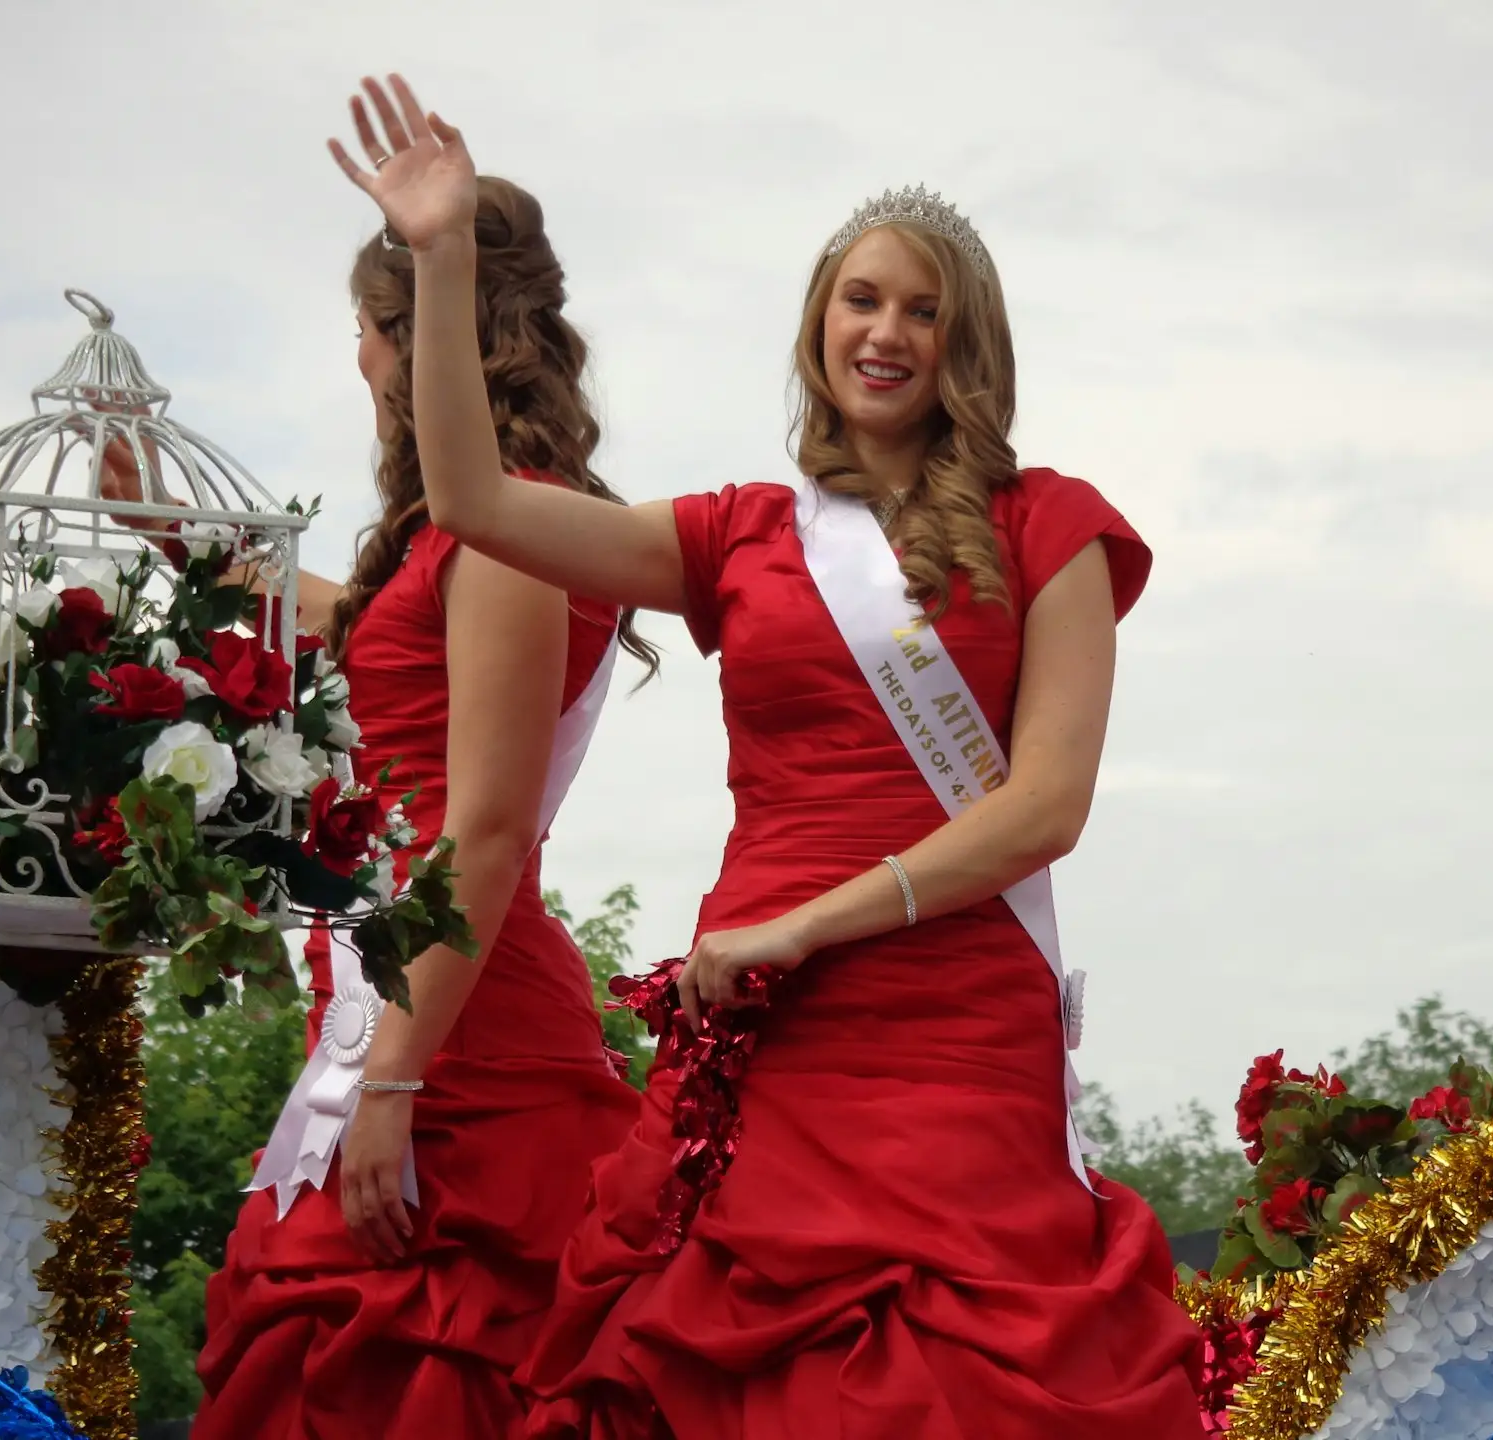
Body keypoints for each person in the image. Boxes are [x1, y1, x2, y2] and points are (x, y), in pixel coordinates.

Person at [333, 74, 1205, 1440]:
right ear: (819, 324)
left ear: (969, 345)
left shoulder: (1060, 530)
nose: (888, 331)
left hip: (948, 1028)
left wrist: (810, 927)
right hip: (763, 1029)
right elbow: (476, 501)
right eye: (863, 299)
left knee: (947, 1377)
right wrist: (442, 262)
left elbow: (1045, 808)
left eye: (925, 309)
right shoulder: (739, 531)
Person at [103, 146, 649, 1439]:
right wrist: (181, 540)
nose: (357, 359)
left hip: (457, 1048)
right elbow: (371, 640)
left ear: (416, 340)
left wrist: (394, 1083)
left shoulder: (518, 531)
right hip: (388, 1008)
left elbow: (492, 826)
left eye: (362, 329)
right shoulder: (462, 543)